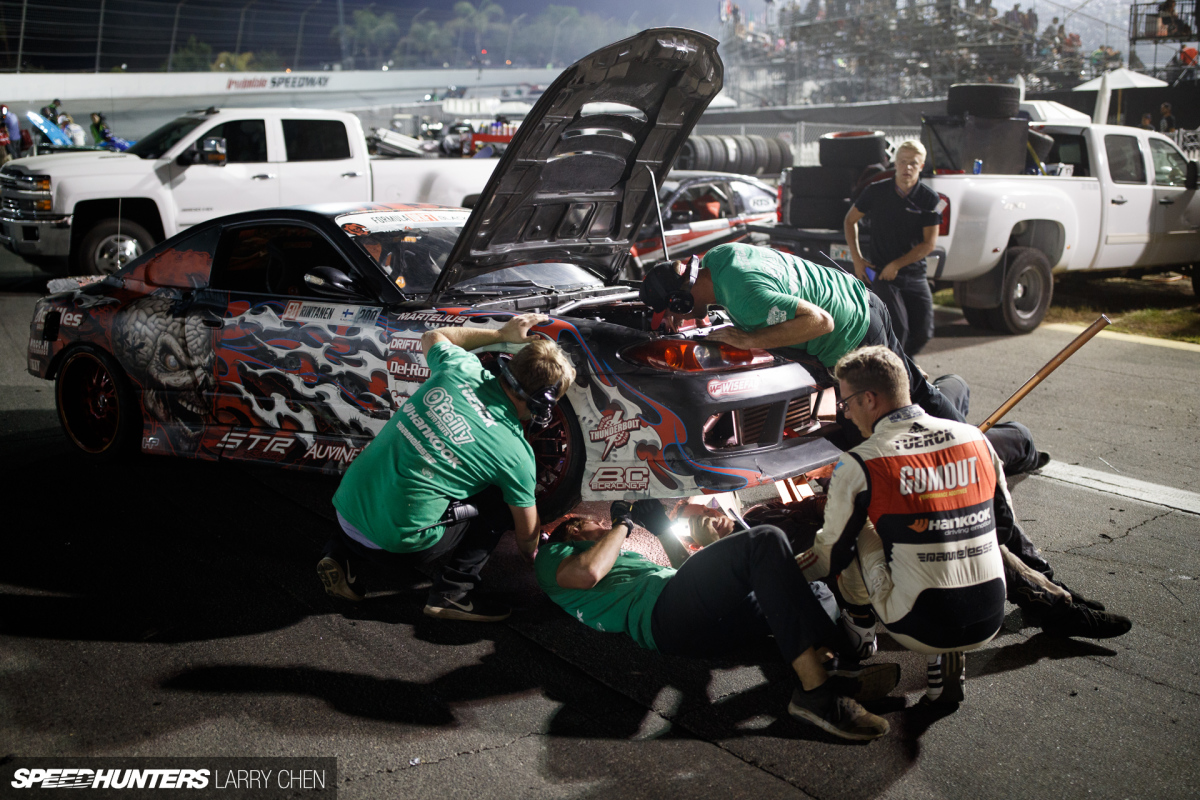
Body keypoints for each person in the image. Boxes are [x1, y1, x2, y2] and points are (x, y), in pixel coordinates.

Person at [798, 346, 1132, 699]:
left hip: (917, 625)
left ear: (869, 399)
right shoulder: (974, 438)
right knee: (962, 528)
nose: (846, 415)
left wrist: (773, 572)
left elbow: (829, 557)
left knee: (855, 528)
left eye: (846, 403)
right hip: (990, 614)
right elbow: (1002, 527)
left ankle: (860, 635)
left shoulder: (860, 461)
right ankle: (952, 655)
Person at [638, 244, 1045, 474]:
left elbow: (818, 322)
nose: (677, 320)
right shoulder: (721, 256)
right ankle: (966, 440)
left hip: (853, 331)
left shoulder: (744, 299)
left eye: (674, 312)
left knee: (898, 409)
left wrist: (748, 338)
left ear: (679, 296)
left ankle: (979, 453)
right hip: (861, 301)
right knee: (910, 390)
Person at [537, 499, 900, 741]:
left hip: (693, 614)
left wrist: (661, 526)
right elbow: (587, 573)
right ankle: (817, 693)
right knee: (765, 540)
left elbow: (682, 572)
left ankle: (827, 665)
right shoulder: (556, 554)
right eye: (593, 524)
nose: (601, 525)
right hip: (662, 618)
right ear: (574, 532)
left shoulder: (620, 561)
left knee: (815, 592)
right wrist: (622, 524)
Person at [318, 313, 575, 622]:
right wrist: (535, 554)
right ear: (542, 402)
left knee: (406, 467)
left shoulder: (460, 368)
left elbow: (433, 336)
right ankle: (454, 591)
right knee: (498, 501)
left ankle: (341, 553)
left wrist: (500, 332)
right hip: (395, 547)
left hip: (344, 510)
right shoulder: (515, 454)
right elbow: (526, 538)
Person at [844, 139, 940, 356]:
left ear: (921, 166)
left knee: (924, 331)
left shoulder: (929, 199)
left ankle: (905, 369)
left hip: (914, 274)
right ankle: (898, 376)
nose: (907, 168)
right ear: (895, 164)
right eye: (903, 162)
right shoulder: (875, 191)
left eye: (913, 164)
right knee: (899, 330)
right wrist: (857, 259)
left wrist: (897, 264)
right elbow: (850, 221)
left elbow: (929, 244)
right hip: (882, 274)